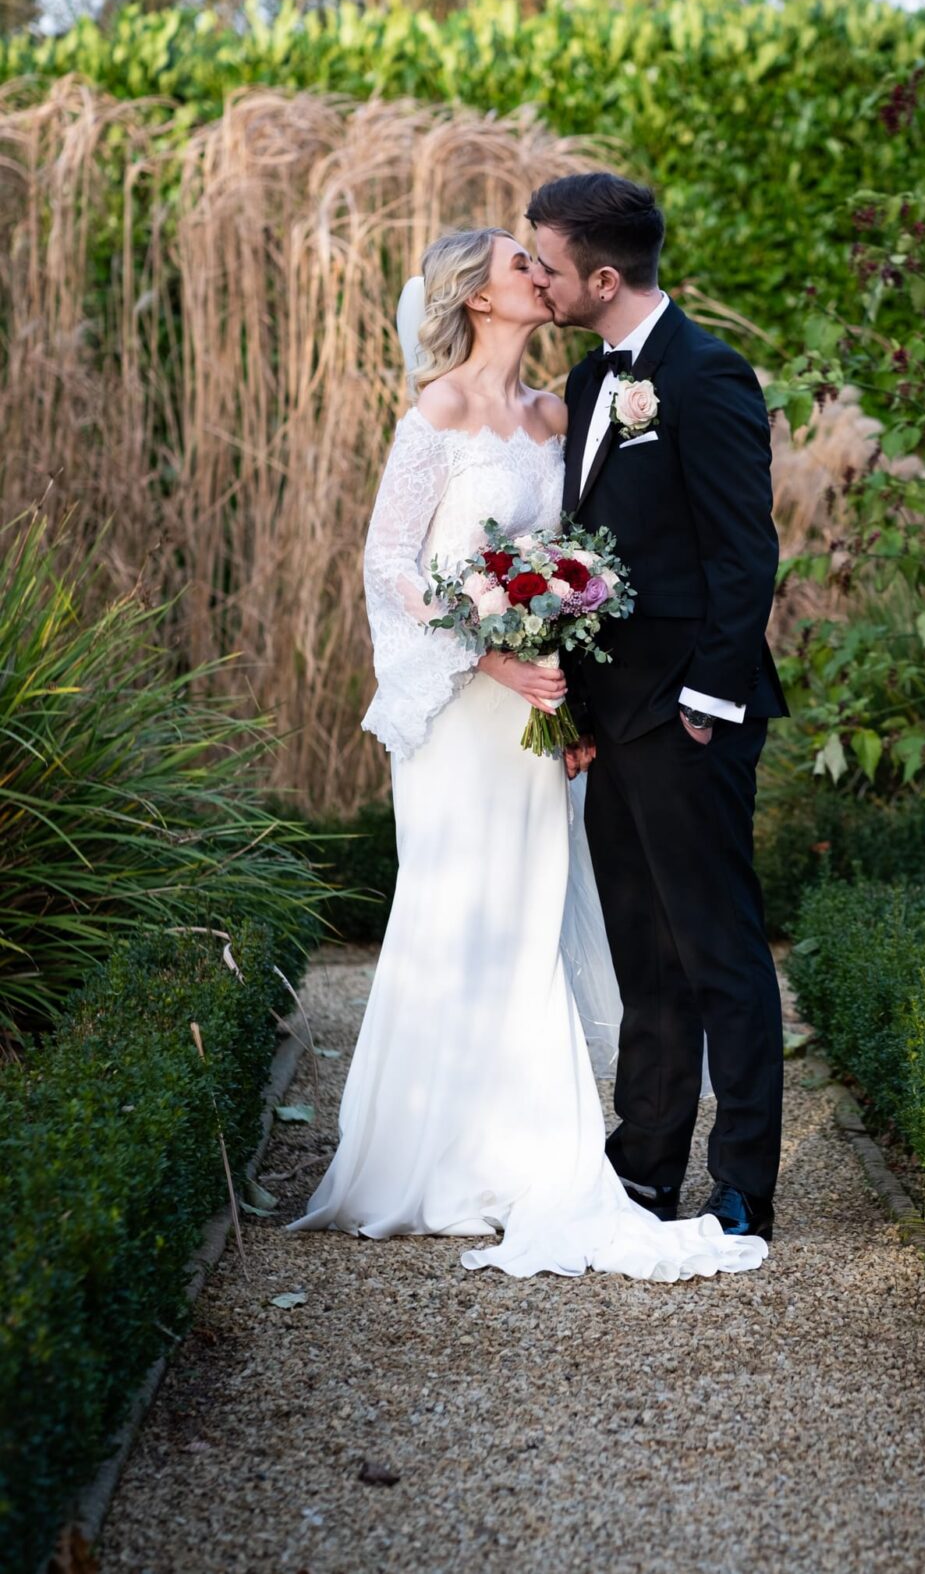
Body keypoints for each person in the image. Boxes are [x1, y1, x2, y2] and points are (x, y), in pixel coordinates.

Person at [286, 225, 766, 1282]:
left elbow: (590, 562)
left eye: (541, 262)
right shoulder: (437, 414)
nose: (537, 276)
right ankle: (430, 1158)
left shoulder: (564, 410)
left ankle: (530, 1152)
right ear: (479, 297)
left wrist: (571, 677)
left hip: (550, 717)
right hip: (470, 712)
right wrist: (491, 656)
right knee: (457, 908)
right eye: (519, 266)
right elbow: (389, 567)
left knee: (534, 913)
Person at [530, 173, 786, 1243]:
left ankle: (743, 1189)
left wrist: (704, 703)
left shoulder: (704, 375)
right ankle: (642, 1170)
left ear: (601, 274)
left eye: (544, 265)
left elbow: (745, 556)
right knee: (644, 954)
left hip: (689, 716)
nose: (534, 280)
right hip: (610, 719)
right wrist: (578, 705)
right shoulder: (593, 383)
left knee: (719, 953)